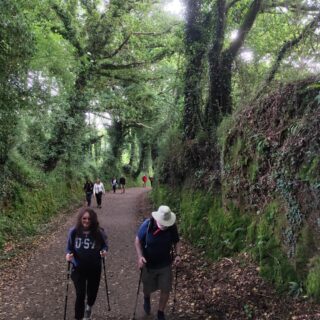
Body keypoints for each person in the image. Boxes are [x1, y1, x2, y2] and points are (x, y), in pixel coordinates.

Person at [135, 205, 181, 320]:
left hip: (165, 263)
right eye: (163, 223)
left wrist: (178, 255)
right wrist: (140, 257)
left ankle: (160, 312)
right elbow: (137, 241)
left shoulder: (171, 227)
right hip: (148, 264)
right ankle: (146, 299)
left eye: (167, 224)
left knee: (166, 288)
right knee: (147, 289)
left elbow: (177, 242)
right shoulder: (147, 225)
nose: (165, 226)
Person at [66, 208, 108, 320]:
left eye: (89, 218)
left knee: (92, 292)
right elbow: (69, 248)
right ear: (80, 219)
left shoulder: (99, 232)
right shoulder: (74, 231)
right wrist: (68, 255)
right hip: (78, 267)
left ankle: (89, 307)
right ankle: (78, 317)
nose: (86, 221)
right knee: (80, 294)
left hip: (94, 267)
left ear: (93, 220)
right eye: (84, 218)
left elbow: (105, 245)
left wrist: (104, 251)